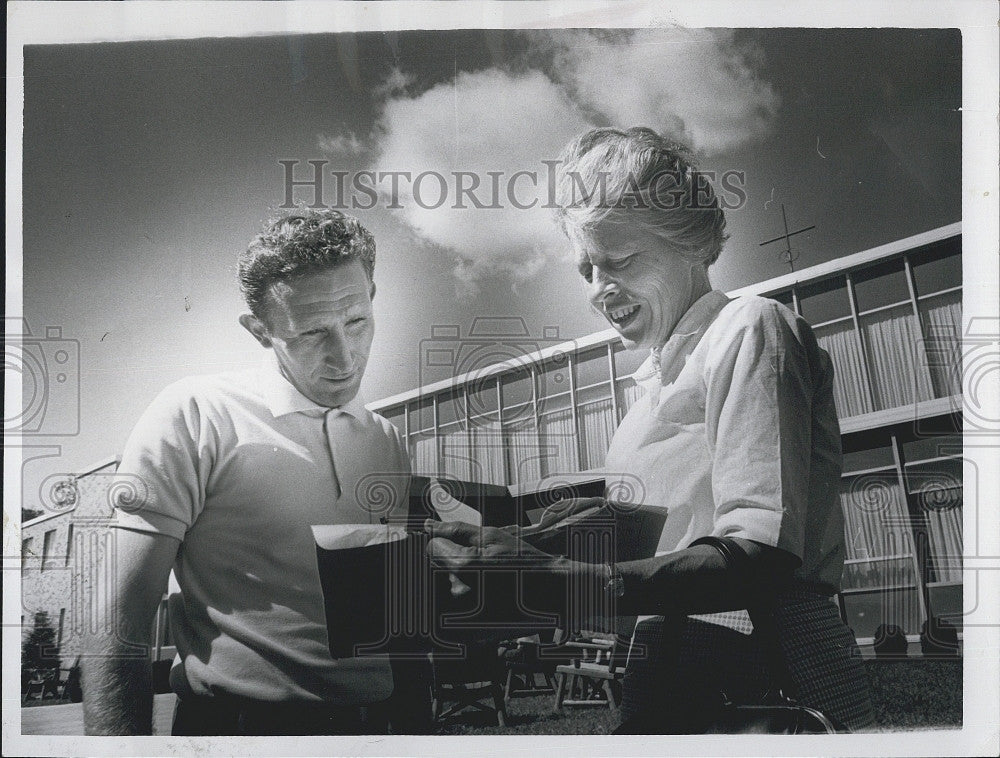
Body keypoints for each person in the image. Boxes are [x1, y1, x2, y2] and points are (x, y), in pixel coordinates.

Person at [427, 126, 875, 732]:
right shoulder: (649, 388)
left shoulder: (749, 328)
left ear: (689, 243)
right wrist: (542, 541)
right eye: (587, 269)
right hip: (669, 658)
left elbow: (758, 553)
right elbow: (667, 535)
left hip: (764, 658)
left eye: (620, 261)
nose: (597, 291)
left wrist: (565, 580)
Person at [83, 209, 414, 735]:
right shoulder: (195, 415)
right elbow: (118, 616)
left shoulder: (387, 440)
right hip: (237, 732)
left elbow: (392, 617)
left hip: (375, 731)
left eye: (356, 320)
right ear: (259, 331)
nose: (345, 355)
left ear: (372, 295)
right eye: (311, 333)